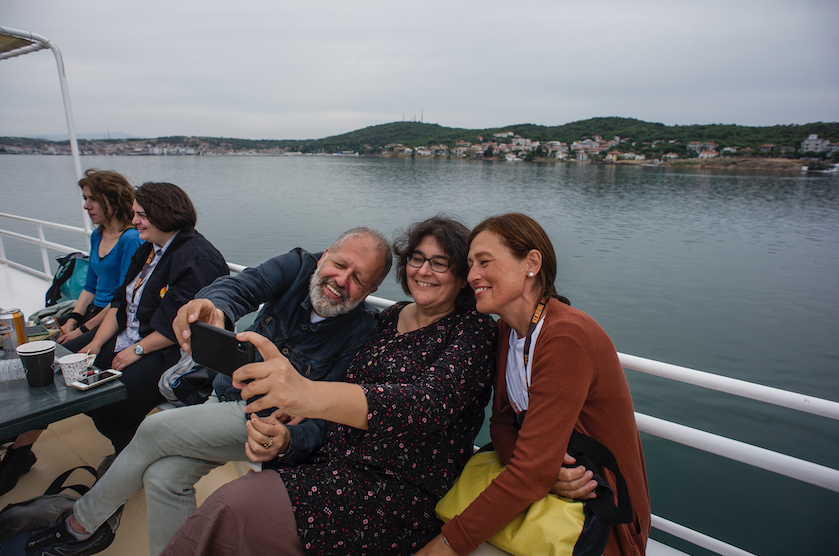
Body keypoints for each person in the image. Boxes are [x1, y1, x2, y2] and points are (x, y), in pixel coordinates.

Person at [0, 227, 392, 556]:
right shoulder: (298, 266)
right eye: (340, 265)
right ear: (325, 257)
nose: (342, 280)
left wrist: (288, 441)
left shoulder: (362, 334)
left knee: (153, 430)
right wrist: (214, 307)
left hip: (265, 423)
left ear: (372, 289)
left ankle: (79, 525)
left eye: (359, 278)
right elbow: (242, 285)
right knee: (163, 478)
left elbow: (326, 419)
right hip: (222, 398)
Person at [160, 216, 497, 555]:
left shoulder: (473, 331)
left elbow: (424, 405)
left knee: (230, 508)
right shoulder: (389, 317)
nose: (424, 271)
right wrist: (290, 438)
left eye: (440, 264)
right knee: (197, 490)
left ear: (462, 277)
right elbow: (339, 385)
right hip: (329, 459)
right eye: (417, 259)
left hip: (391, 486)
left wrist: (306, 394)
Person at [417, 213, 650, 556]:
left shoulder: (566, 337)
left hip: (599, 514)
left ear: (531, 263)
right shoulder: (507, 331)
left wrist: (446, 545)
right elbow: (501, 424)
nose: (471, 276)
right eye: (469, 264)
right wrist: (545, 472)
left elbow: (530, 472)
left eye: (484, 262)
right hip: (553, 492)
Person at [0, 169, 143, 497]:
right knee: (35, 352)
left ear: (111, 200)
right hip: (91, 315)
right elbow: (92, 284)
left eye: (92, 199)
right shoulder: (98, 235)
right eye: (85, 198)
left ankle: (20, 454)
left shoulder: (131, 239)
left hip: (112, 318)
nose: (86, 206)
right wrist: (73, 318)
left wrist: (83, 327)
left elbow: (123, 297)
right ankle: (20, 442)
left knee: (49, 366)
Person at [63, 181, 229, 455]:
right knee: (64, 361)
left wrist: (136, 350)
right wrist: (95, 343)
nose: (133, 221)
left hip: (168, 350)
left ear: (164, 214)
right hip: (130, 333)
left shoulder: (198, 259)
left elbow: (178, 324)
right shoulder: (148, 249)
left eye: (140, 215)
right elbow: (121, 303)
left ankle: (126, 458)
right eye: (134, 213)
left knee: (115, 402)